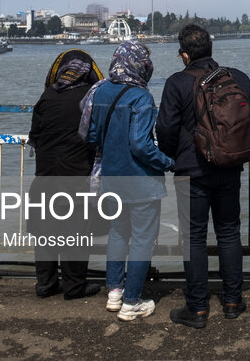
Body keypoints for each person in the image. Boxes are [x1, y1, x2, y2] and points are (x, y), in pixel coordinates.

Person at [157, 24, 250, 329]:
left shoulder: (177, 82)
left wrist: (174, 155)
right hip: (229, 166)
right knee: (229, 233)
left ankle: (197, 308)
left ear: (183, 55)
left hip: (190, 171)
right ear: (210, 49)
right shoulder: (236, 77)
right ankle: (232, 302)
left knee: (192, 238)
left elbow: (164, 130)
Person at [83, 40, 175, 322]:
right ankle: (132, 302)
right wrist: (168, 162)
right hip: (140, 181)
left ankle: (114, 293)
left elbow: (92, 135)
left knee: (118, 233)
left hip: (111, 177)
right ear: (139, 65)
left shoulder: (99, 91)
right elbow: (141, 146)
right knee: (143, 240)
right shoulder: (141, 97)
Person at [28, 49, 104, 299]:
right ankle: (74, 286)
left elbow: (35, 137)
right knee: (75, 233)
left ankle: (46, 284)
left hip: (45, 176)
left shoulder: (46, 97)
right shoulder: (89, 99)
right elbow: (96, 137)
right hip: (75, 176)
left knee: (45, 234)